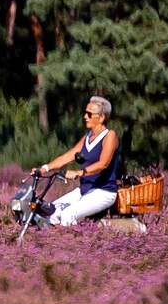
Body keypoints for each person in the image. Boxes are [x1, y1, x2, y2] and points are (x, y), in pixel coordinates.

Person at [37, 96, 120, 226]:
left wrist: (79, 173)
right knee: (50, 212)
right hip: (84, 189)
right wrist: (45, 168)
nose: (85, 117)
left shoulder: (110, 136)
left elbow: (103, 164)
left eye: (89, 114)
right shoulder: (88, 137)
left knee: (67, 214)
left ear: (102, 117)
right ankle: (49, 244)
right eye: (85, 113)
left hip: (104, 192)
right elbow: (68, 156)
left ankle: (74, 244)